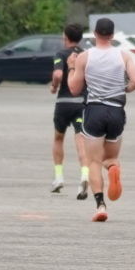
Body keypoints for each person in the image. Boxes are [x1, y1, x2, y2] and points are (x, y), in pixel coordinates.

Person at [68, 17, 135, 222]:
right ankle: (113, 168)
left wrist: (72, 67)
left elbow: (74, 89)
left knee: (93, 161)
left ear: (95, 33)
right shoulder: (123, 55)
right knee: (110, 158)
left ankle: (100, 205)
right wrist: (123, 89)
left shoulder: (85, 57)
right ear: (112, 35)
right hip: (117, 111)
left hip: (95, 111)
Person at [49, 23, 89, 198]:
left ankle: (59, 177)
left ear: (65, 36)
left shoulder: (61, 54)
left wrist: (54, 86)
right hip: (81, 102)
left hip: (64, 102)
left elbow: (58, 74)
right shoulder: (86, 55)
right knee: (81, 139)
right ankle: (84, 175)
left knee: (59, 138)